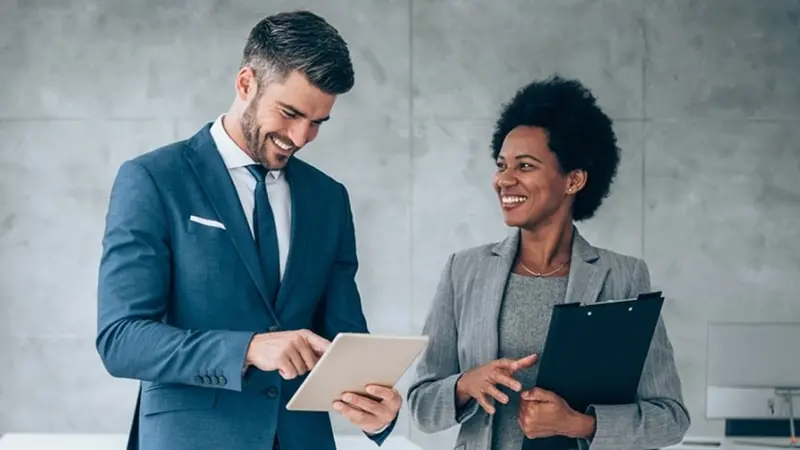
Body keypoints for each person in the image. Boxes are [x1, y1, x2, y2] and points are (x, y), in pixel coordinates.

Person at [96, 10, 401, 450]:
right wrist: (248, 348)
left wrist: (377, 408)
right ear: (245, 84)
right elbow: (121, 338)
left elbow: (343, 336)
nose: (300, 136)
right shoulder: (154, 179)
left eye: (317, 122)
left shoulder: (328, 198)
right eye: (290, 113)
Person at [406, 75, 690, 450]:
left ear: (573, 180)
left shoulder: (623, 276)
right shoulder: (465, 270)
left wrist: (579, 424)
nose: (503, 181)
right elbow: (420, 405)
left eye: (524, 166)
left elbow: (670, 418)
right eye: (501, 165)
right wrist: (465, 385)